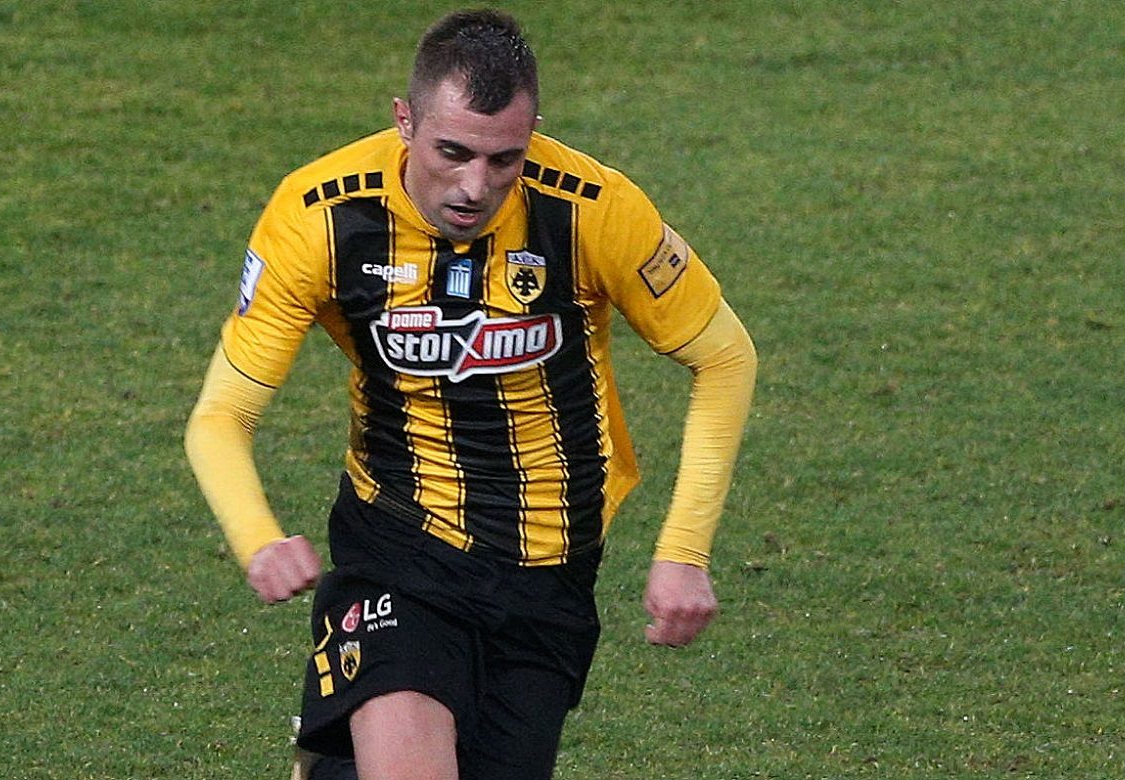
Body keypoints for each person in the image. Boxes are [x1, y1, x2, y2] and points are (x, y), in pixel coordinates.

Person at [184, 9, 758, 779]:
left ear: (533, 136)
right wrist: (257, 536)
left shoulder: (592, 209)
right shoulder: (322, 216)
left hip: (549, 566)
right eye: (451, 152)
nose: (474, 186)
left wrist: (684, 551)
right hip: (398, 546)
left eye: (503, 159)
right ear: (404, 121)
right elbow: (220, 416)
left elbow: (725, 357)